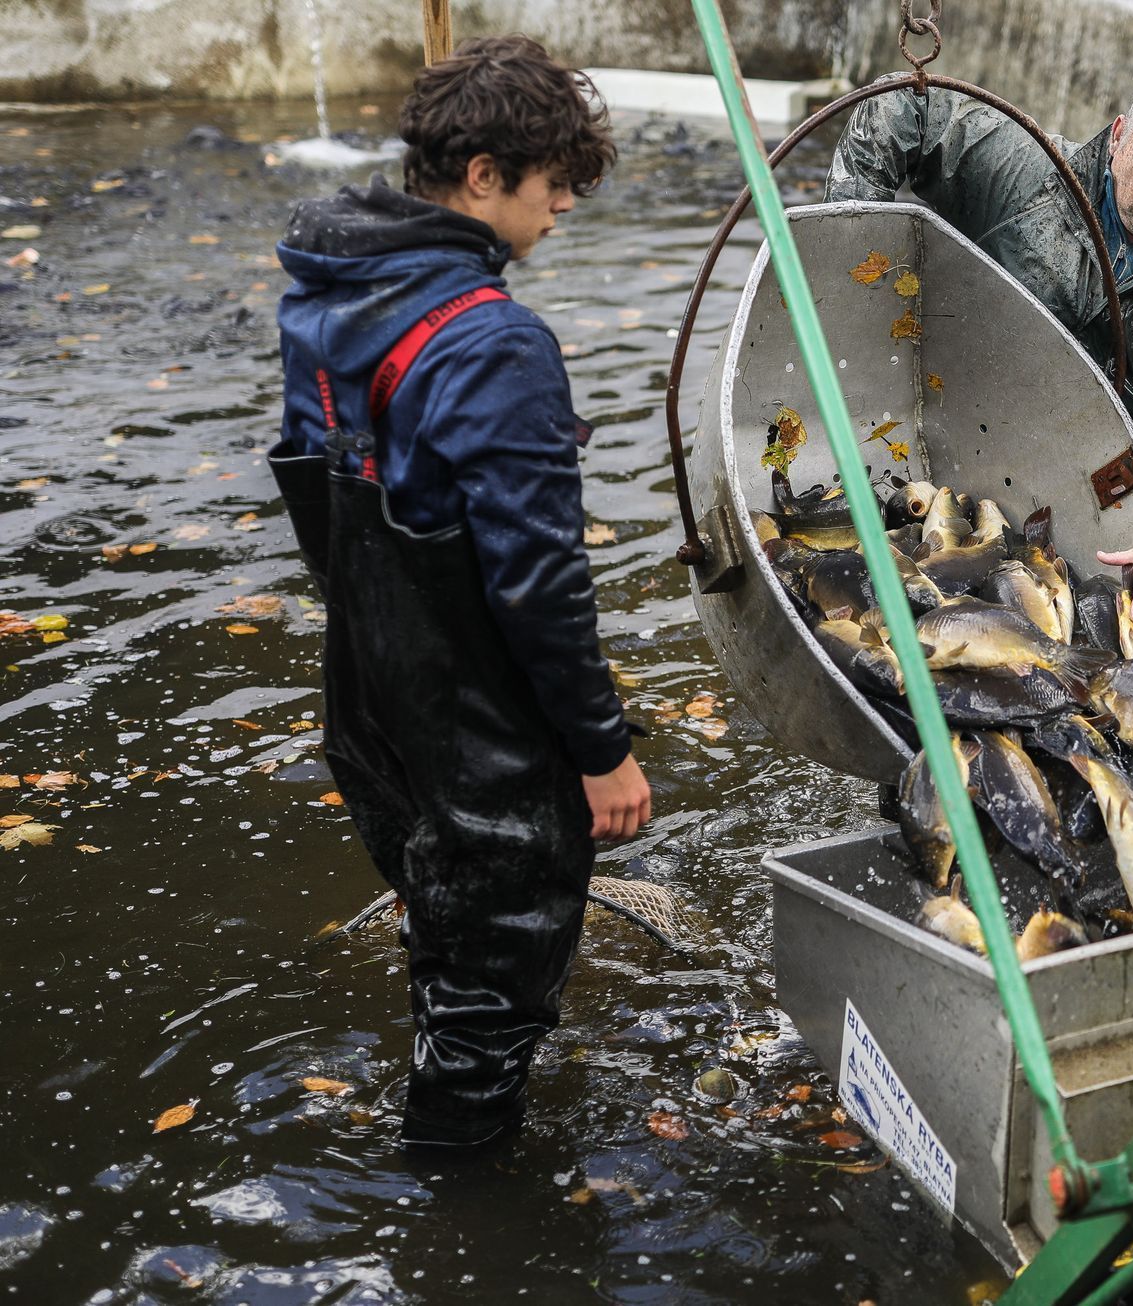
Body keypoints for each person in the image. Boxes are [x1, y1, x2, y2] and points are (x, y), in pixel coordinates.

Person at [271, 35, 651, 1147]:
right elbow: (539, 579)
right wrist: (601, 748)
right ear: (482, 174)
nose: (564, 210)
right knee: (491, 1000)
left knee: (441, 923)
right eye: (553, 189)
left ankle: (445, 1060)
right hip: (479, 733)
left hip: (369, 702)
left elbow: (327, 490)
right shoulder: (497, 342)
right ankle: (455, 1207)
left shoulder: (325, 293)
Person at [826, 62, 1133, 642]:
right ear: (1118, 136)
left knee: (1073, 649)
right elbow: (907, 104)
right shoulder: (1024, 171)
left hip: (1095, 490)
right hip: (952, 430)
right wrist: (847, 244)